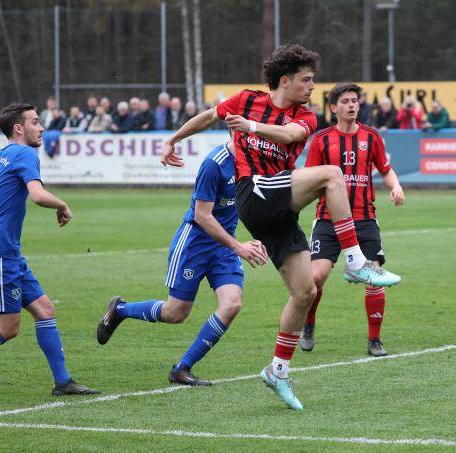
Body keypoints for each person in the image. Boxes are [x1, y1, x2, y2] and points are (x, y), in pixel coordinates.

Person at [159, 44, 401, 411]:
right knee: (332, 175)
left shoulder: (305, 117)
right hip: (253, 192)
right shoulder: (246, 100)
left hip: (278, 202)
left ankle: (278, 371)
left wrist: (251, 126)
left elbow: (288, 136)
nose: (312, 87)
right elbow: (209, 117)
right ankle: (355, 261)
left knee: (304, 291)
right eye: (307, 80)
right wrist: (174, 139)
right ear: (285, 80)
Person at [96, 142, 269, 385]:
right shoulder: (214, 164)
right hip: (194, 244)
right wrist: (239, 247)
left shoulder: (255, 161)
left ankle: (182, 368)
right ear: (235, 128)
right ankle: (120, 310)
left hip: (224, 247)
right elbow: (202, 215)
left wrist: (264, 238)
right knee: (175, 313)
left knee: (232, 304)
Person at [0, 103, 99, 396]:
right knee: (7, 328)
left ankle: (63, 381)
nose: (41, 128)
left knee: (45, 310)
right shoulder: (25, 153)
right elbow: (38, 195)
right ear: (19, 128)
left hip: (7, 253)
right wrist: (63, 204)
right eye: (35, 122)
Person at [300, 83, 405, 357]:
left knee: (374, 276)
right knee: (317, 276)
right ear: (333, 107)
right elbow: (308, 179)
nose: (351, 105)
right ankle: (308, 324)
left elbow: (385, 168)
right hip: (328, 219)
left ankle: (374, 339)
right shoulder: (322, 140)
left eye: (354, 101)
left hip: (365, 218)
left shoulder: (371, 137)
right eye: (345, 101)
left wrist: (395, 186)